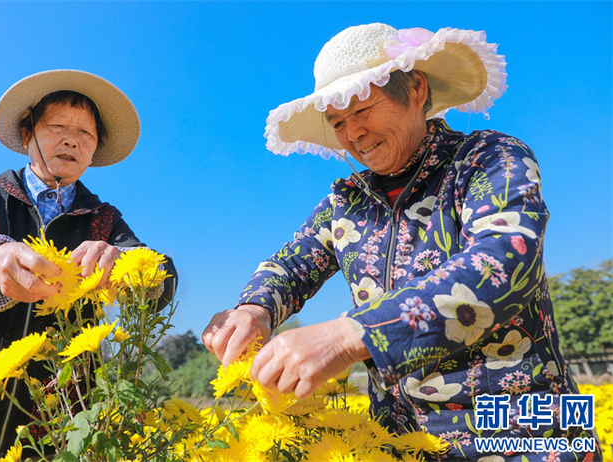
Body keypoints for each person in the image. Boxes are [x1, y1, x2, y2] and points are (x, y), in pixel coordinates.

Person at [202, 23, 601, 461]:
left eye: (363, 111)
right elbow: (291, 266)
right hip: (398, 444)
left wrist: (350, 335)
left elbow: (504, 263)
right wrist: (252, 309)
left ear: (415, 90)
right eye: (338, 123)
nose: (353, 134)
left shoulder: (487, 157)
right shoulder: (345, 202)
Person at [0, 69, 177, 461]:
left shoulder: (104, 220)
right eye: (56, 126)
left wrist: (123, 263)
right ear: (27, 134)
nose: (71, 139)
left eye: (86, 134)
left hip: (60, 429)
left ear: (94, 150)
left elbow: (163, 277)